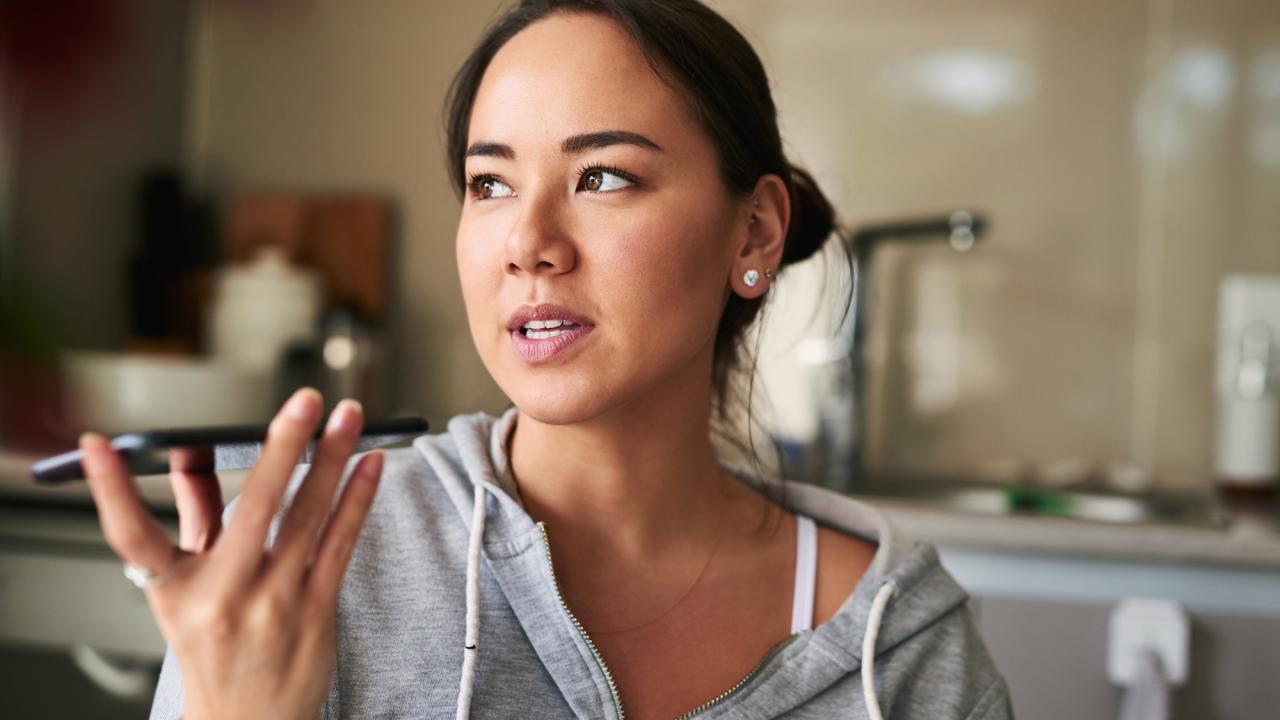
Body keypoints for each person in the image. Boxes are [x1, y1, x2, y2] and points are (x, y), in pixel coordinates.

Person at [78, 1, 1013, 718]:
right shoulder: (316, 566)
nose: (529, 241)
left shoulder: (906, 652)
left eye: (603, 176)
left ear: (755, 229)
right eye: (490, 184)